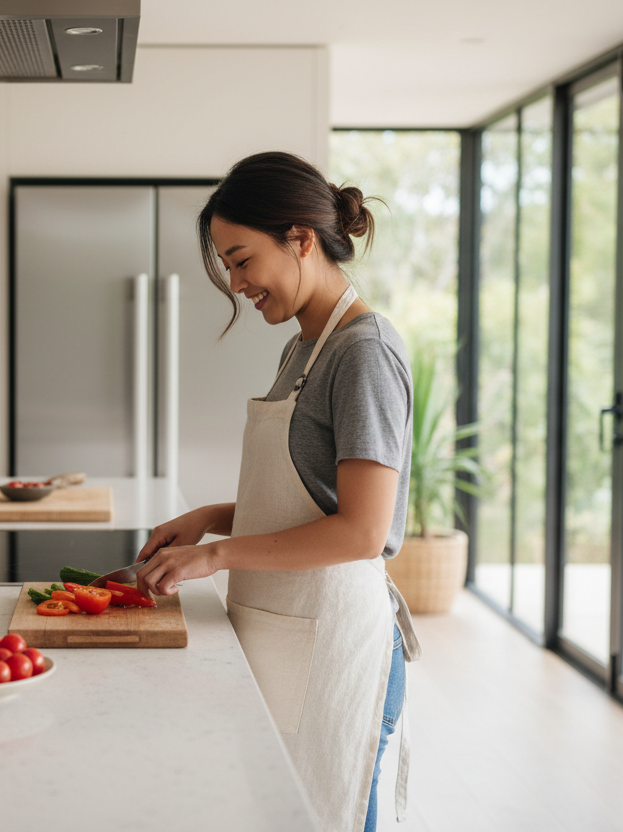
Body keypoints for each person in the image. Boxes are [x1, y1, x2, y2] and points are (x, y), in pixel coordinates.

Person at [133, 151, 420, 830]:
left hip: (338, 647)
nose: (235, 283)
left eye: (241, 260)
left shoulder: (364, 352)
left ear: (300, 238)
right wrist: (209, 519)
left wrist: (217, 555)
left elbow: (361, 531)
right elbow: (315, 496)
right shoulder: (303, 346)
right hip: (289, 636)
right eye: (227, 267)